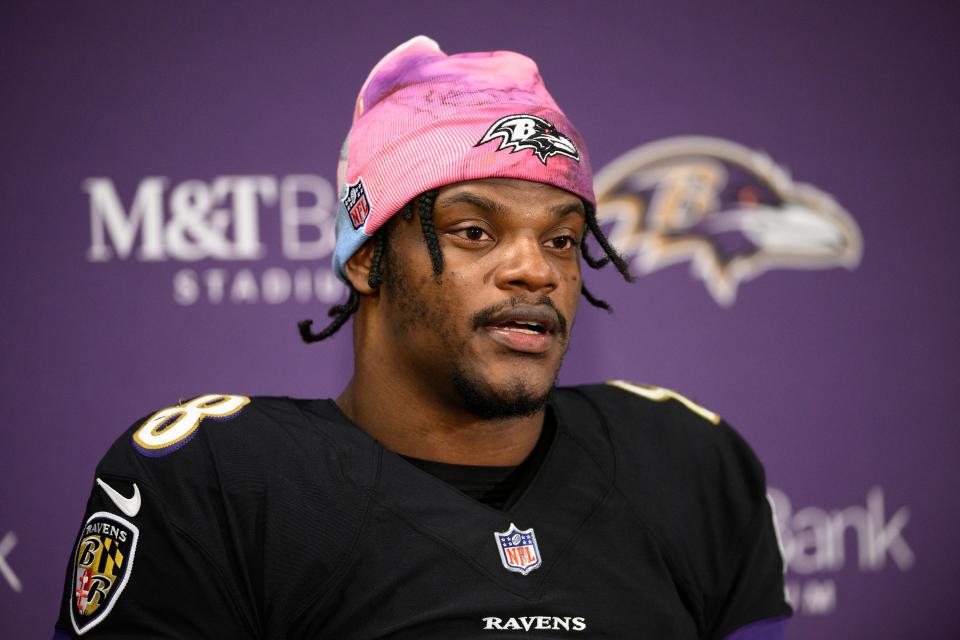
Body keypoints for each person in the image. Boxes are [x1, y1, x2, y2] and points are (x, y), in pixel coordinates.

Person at [56, 36, 792, 639]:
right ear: (368, 259)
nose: (535, 270)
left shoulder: (691, 465)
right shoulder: (213, 483)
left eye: (564, 241)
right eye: (474, 232)